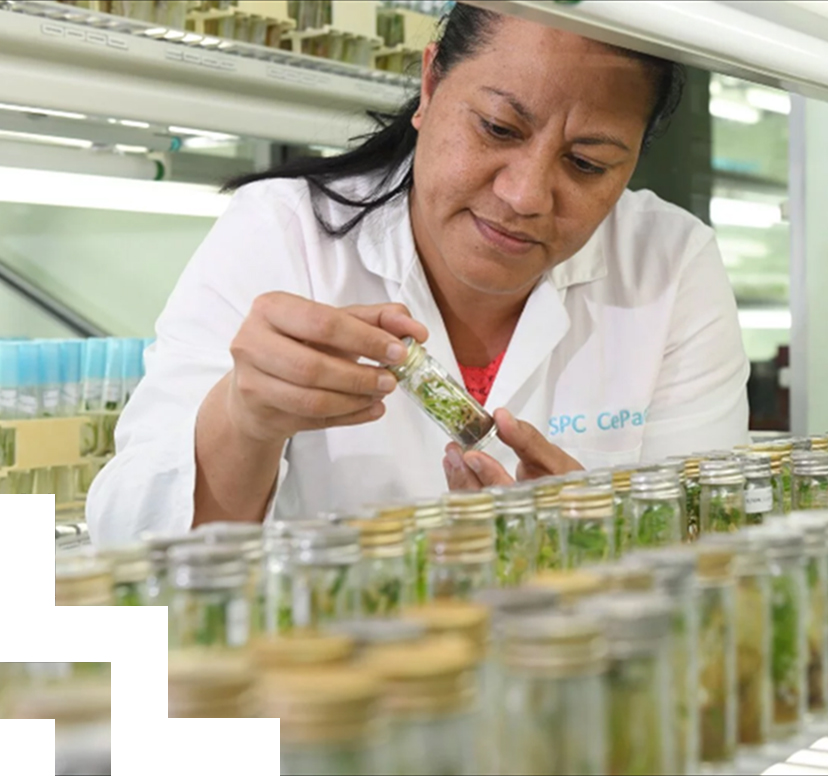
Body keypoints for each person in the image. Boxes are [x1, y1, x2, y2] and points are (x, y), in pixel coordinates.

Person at [86, 3, 749, 546]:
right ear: (431, 85)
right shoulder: (281, 233)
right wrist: (244, 418)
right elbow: (131, 542)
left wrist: (599, 543)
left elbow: (713, 548)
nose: (525, 195)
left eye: (587, 164)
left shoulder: (670, 263)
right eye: (497, 127)